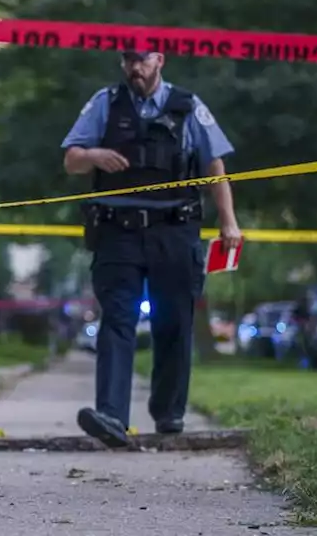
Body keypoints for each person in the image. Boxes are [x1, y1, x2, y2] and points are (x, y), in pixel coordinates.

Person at [61, 50, 242, 448]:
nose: (134, 68)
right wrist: (93, 155)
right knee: (117, 320)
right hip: (117, 233)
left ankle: (169, 414)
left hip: (175, 231)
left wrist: (228, 220)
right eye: (127, 60)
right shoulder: (105, 102)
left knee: (174, 323)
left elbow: (215, 167)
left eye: (141, 60)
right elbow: (71, 159)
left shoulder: (188, 107)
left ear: (160, 59)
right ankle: (111, 416)